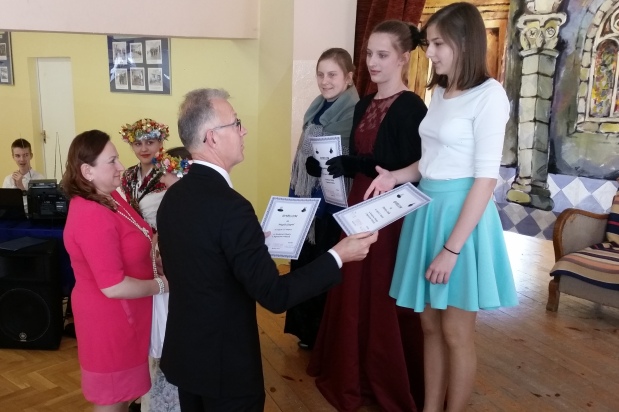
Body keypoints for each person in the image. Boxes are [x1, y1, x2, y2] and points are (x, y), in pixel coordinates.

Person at [156, 88, 378, 412]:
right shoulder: (232, 208)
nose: (243, 130)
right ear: (212, 137)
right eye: (236, 123)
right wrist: (338, 255)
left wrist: (247, 243)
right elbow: (275, 296)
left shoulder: (173, 197)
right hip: (226, 367)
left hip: (186, 357)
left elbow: (201, 260)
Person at [364, 3, 519, 411]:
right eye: (429, 43)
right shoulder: (440, 92)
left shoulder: (490, 95)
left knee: (455, 331)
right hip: (427, 209)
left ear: (464, 42)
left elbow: (485, 179)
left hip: (462, 217)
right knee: (430, 326)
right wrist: (395, 176)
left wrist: (452, 249)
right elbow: (430, 161)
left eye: (437, 43)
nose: (429, 52)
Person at [307, 20, 428, 412]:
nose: (372, 62)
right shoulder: (363, 104)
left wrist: (369, 167)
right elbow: (363, 156)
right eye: (369, 54)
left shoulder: (413, 106)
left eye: (382, 55)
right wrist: (343, 164)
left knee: (379, 289)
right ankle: (350, 371)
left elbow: (420, 166)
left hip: (390, 211)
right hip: (359, 201)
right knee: (352, 284)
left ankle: (384, 376)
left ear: (403, 58)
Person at [62, 130, 169, 412]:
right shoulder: (90, 213)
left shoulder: (110, 197)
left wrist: (154, 263)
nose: (121, 166)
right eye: (112, 161)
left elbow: (138, 239)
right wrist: (162, 284)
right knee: (112, 399)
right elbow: (113, 286)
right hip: (109, 321)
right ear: (87, 171)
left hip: (127, 317)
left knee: (124, 396)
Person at [284, 47, 359, 350]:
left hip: (331, 205)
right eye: (320, 74)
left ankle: (325, 337)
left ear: (348, 77)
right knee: (304, 265)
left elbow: (351, 159)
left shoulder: (354, 113)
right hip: (307, 197)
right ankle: (307, 332)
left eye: (332, 75)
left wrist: (327, 166)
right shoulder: (316, 107)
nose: (325, 81)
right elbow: (305, 154)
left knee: (324, 266)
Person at [143, 146, 191, 412]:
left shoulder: (186, 204)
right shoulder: (165, 202)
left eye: (166, 172)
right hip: (165, 282)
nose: (161, 178)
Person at [119, 118, 169, 227]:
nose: (144, 149)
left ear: (160, 143)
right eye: (138, 144)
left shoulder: (169, 174)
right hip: (134, 233)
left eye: (150, 142)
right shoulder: (128, 175)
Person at [2, 138, 45, 212]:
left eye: (25, 155)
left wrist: (21, 188)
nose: (22, 159)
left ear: (31, 155)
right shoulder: (8, 179)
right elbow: (4, 205)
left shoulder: (40, 179)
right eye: (17, 156)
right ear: (13, 157)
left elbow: (39, 207)